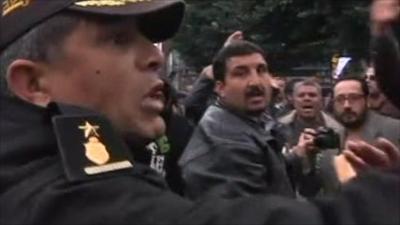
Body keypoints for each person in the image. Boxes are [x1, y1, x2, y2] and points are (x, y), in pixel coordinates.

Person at [0, 0, 399, 224]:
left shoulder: (76, 151)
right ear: (34, 84)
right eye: (118, 40)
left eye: (148, 41)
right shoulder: (51, 195)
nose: (152, 58)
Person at [179, 40, 294, 200]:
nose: (256, 82)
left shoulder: (251, 122)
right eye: (241, 73)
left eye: (261, 70)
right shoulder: (226, 145)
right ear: (220, 88)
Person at [278, 80, 345, 197]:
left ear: (321, 101)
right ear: (293, 100)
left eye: (312, 95)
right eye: (301, 95)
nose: (307, 98)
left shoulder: (338, 130)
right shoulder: (279, 128)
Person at [332, 77, 400, 148]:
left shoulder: (395, 129)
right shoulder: (333, 136)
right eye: (340, 99)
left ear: (367, 100)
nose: (347, 105)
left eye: (354, 98)